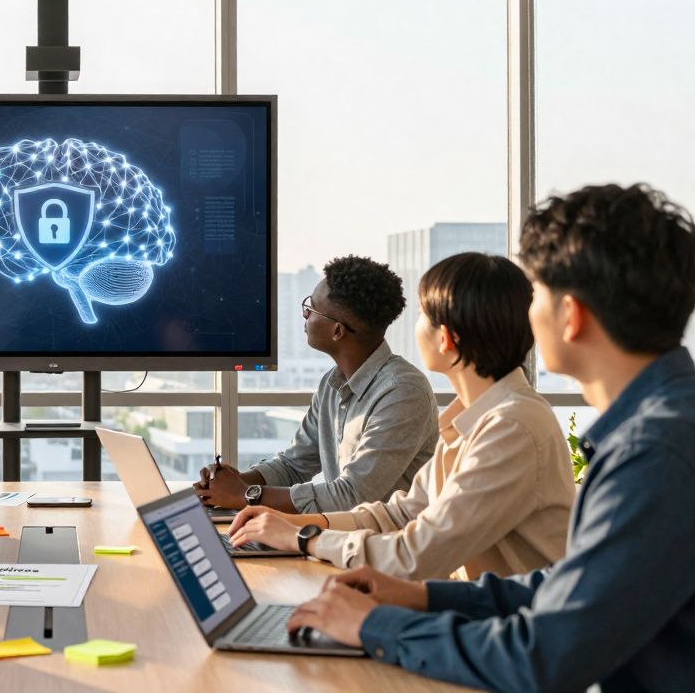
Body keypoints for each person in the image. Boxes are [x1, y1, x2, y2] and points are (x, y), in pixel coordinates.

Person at [287, 184, 695, 692]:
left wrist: (372, 625)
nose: (525, 312)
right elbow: (569, 589)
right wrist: (426, 599)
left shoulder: (654, 453)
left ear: (572, 315)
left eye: (537, 293)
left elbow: (542, 656)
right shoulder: (662, 428)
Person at [227, 253, 575, 581]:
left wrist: (305, 538)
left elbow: (416, 554)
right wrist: (289, 524)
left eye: (423, 314)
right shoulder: (471, 422)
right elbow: (398, 514)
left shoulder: (511, 427)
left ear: (446, 338)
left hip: (508, 629)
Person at [195, 255, 438, 513]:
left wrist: (245, 494)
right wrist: (230, 484)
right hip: (340, 539)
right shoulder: (332, 384)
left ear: (337, 331)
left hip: (384, 545)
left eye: (311, 309)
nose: (305, 314)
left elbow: (352, 496)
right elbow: (293, 466)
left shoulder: (403, 393)